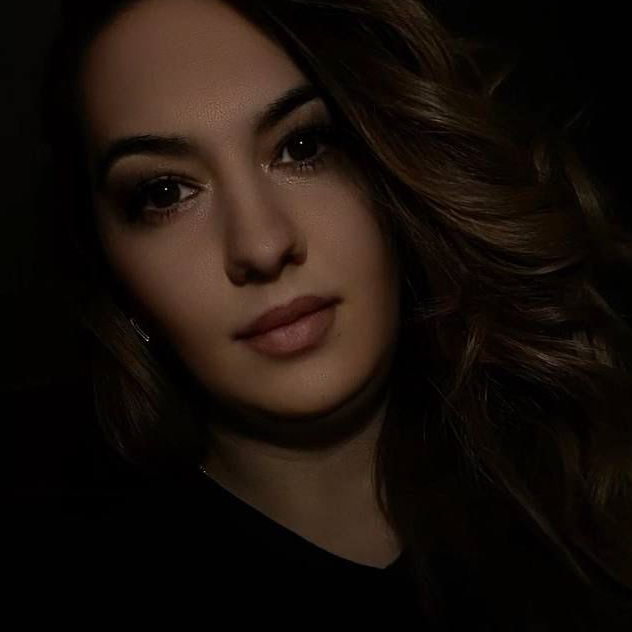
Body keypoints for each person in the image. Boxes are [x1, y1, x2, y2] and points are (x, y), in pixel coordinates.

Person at [24, 0, 632, 627]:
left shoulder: (582, 481)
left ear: (394, 165)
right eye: (164, 193)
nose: (262, 245)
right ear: (110, 271)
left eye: (303, 146)